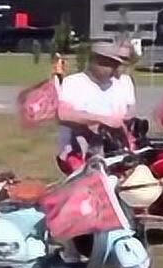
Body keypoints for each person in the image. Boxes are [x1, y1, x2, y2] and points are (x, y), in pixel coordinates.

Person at [56, 42, 133, 173]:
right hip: (79, 153)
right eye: (110, 64)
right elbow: (63, 114)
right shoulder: (73, 82)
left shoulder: (121, 84)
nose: (114, 68)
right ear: (96, 62)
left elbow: (129, 114)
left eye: (116, 64)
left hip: (114, 151)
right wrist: (101, 120)